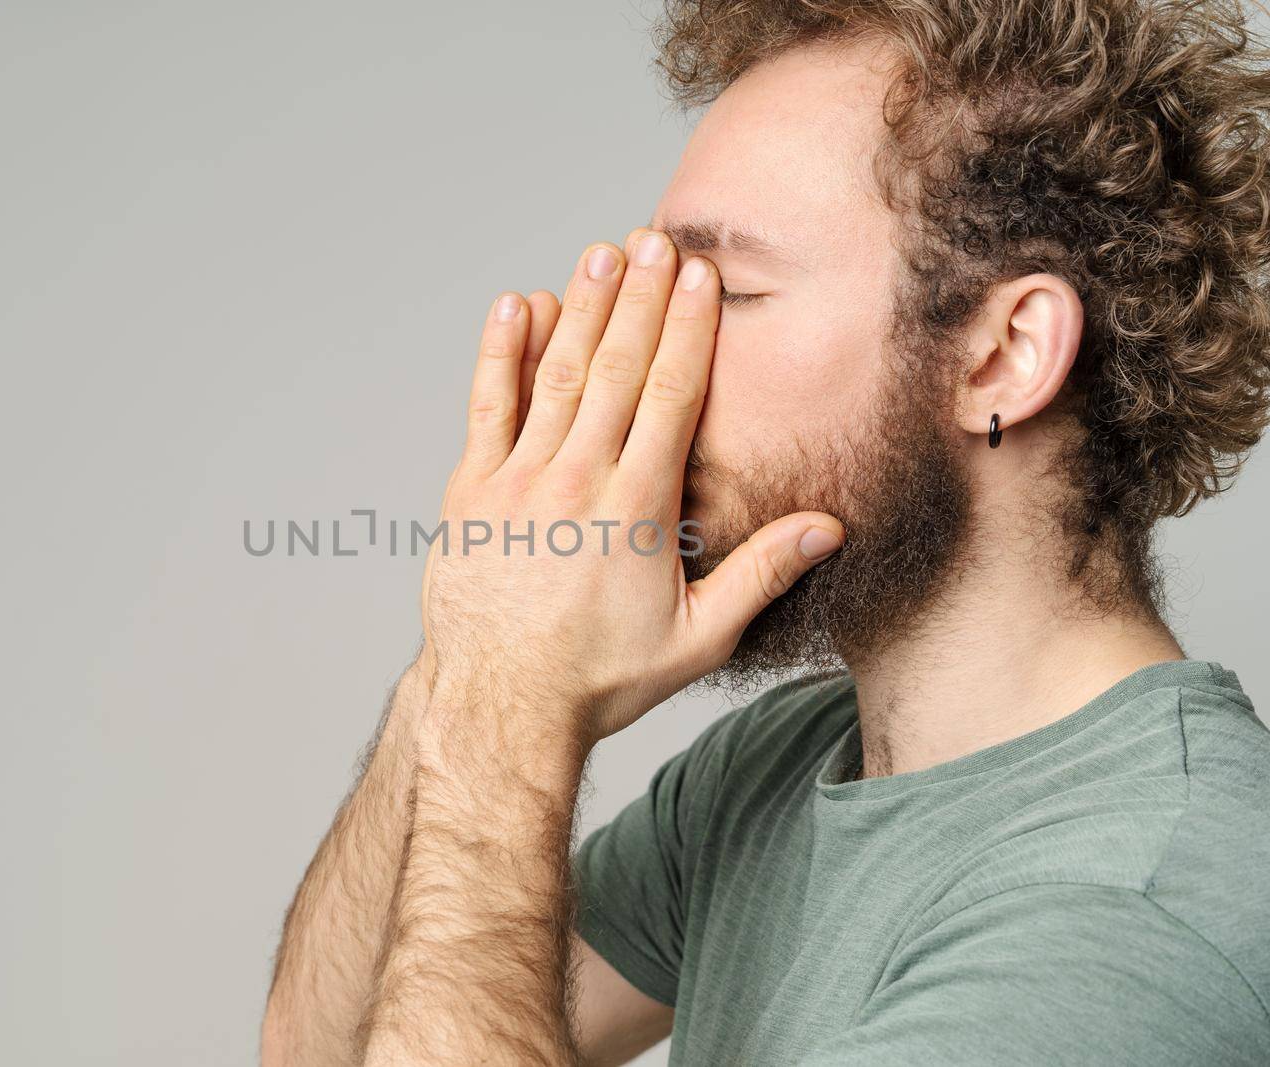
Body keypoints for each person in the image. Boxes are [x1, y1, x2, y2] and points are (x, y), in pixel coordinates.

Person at [262, 1, 1270, 1063]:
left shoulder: (1131, 905)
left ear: (1003, 357)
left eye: (727, 292)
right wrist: (474, 648)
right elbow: (321, 1045)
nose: (651, 366)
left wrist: (510, 709)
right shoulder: (777, 767)